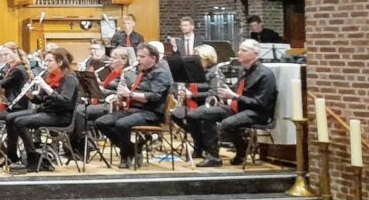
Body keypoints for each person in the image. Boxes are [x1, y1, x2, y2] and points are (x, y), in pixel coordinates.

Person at [187, 39, 277, 167]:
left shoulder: (266, 75)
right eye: (239, 49)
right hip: (239, 108)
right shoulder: (243, 70)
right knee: (201, 113)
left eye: (243, 51)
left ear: (255, 54)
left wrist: (234, 96)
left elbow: (262, 103)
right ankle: (212, 156)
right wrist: (226, 96)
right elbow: (236, 91)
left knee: (227, 124)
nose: (239, 53)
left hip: (257, 112)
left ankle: (242, 151)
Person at [94, 43, 172, 169]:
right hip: (134, 109)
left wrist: (129, 93)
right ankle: (132, 149)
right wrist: (122, 97)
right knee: (101, 122)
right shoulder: (142, 71)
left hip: (151, 112)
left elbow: (154, 96)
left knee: (121, 124)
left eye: (142, 56)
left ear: (153, 58)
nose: (138, 59)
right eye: (138, 56)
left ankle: (125, 155)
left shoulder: (161, 73)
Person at [3, 48, 80, 171]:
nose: (46, 64)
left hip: (60, 116)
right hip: (46, 111)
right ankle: (12, 157)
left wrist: (45, 87)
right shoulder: (49, 76)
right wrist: (32, 96)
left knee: (20, 122)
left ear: (60, 62)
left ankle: (33, 157)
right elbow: (41, 100)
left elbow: (65, 102)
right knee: (10, 117)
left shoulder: (70, 79)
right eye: (45, 61)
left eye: (49, 61)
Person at [172, 45, 220, 160]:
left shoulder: (214, 72)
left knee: (195, 117)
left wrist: (193, 94)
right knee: (176, 114)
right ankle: (199, 141)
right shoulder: (193, 72)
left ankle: (200, 146)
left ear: (206, 58)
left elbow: (215, 93)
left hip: (207, 104)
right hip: (193, 103)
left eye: (198, 59)